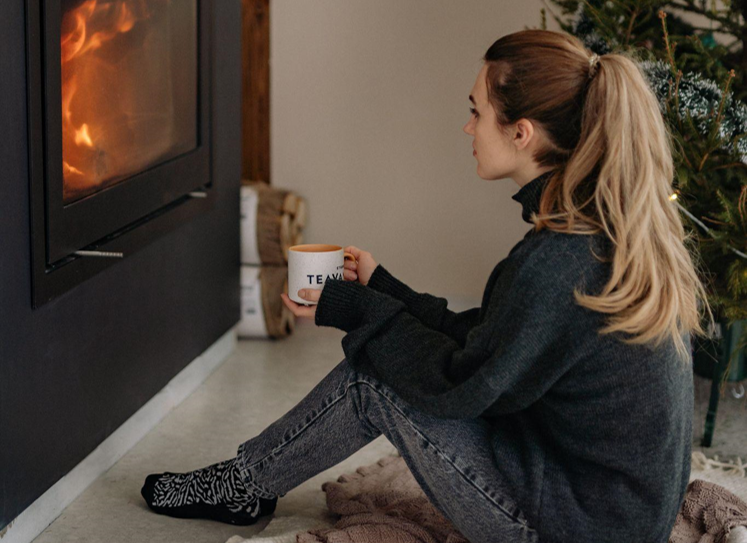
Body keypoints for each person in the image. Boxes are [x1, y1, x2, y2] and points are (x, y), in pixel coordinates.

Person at [141, 29, 713, 543]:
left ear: (521, 132)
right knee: (389, 355)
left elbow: (461, 384)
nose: (467, 126)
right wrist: (383, 288)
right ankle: (247, 480)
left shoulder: (558, 260)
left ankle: (242, 484)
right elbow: (493, 344)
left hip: (573, 528)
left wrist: (353, 306)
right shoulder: (594, 229)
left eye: (476, 111)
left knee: (377, 379)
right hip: (612, 511)